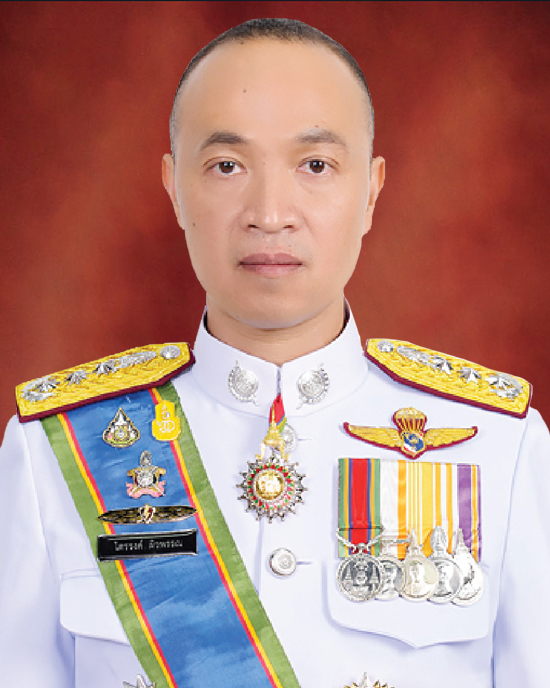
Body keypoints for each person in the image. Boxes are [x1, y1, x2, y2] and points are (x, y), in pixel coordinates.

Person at [0, 17, 549, 688]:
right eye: (227, 166)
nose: (269, 211)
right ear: (174, 187)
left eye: (315, 165)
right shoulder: (52, 454)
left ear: (371, 191)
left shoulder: (501, 447)